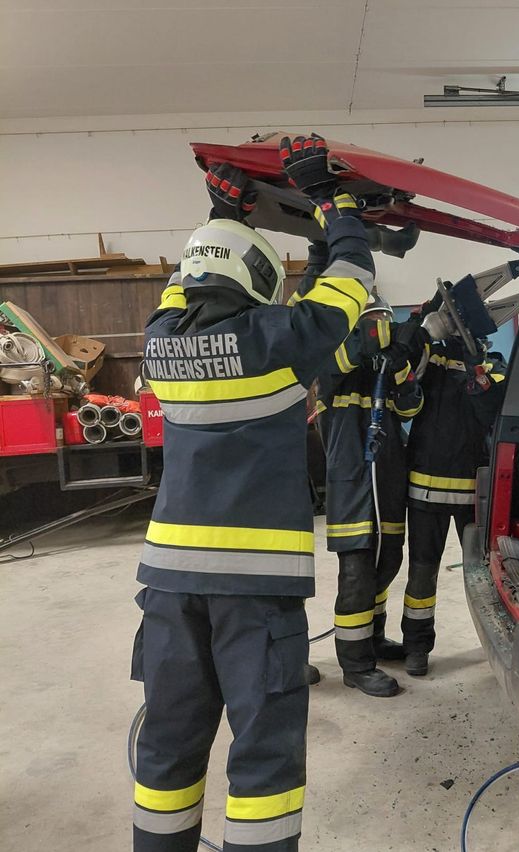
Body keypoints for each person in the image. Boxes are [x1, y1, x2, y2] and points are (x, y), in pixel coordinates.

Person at [130, 133, 374, 852]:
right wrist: (338, 205)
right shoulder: (279, 340)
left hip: (169, 592)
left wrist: (223, 212)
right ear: (260, 281)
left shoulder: (160, 342)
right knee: (263, 759)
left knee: (168, 749)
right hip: (253, 593)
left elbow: (191, 287)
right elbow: (348, 287)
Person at [314, 293, 426, 697]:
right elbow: (333, 369)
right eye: (374, 323)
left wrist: (399, 367)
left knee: (388, 562)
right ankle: (356, 663)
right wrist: (370, 342)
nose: (381, 330)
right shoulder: (332, 363)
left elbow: (411, 408)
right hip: (353, 482)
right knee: (358, 573)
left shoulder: (387, 367)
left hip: (389, 479)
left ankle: (373, 639)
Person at [402, 323, 507, 677]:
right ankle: (416, 646)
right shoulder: (431, 357)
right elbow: (405, 373)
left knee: (483, 576)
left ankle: (496, 643)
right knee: (421, 574)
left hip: (472, 492)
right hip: (425, 489)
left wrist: (475, 368)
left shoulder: (493, 364)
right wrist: (425, 327)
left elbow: (493, 412)